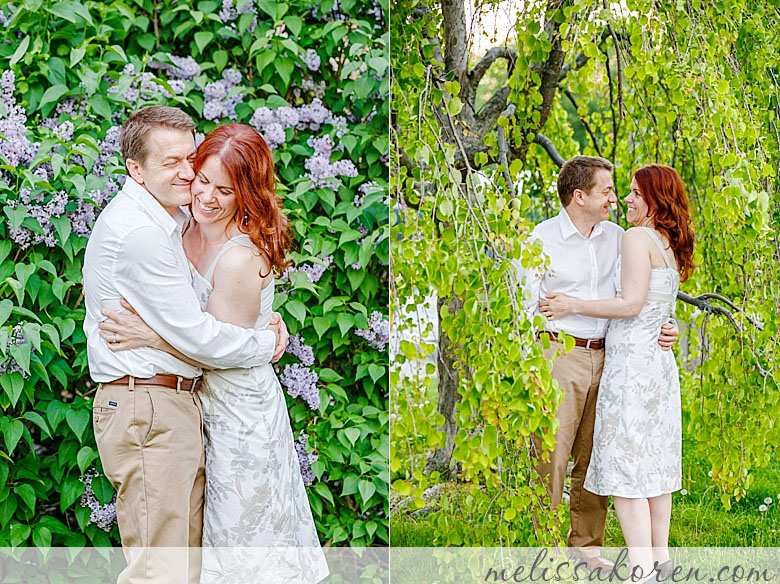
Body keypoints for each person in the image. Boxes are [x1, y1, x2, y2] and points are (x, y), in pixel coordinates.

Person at [99, 124, 328, 583]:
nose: (205, 195)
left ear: (246, 194)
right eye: (201, 179)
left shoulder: (240, 257)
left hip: (239, 411)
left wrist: (151, 337)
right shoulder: (178, 227)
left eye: (224, 190)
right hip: (197, 404)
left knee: (242, 544)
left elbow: (218, 351)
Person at [517, 156, 678, 571]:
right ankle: (546, 551)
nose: (614, 197)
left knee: (594, 457)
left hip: (609, 355)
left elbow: (639, 295)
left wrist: (668, 324)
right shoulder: (541, 239)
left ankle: (587, 548)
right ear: (579, 196)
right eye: (607, 190)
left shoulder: (619, 237)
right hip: (560, 353)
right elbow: (521, 305)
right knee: (552, 456)